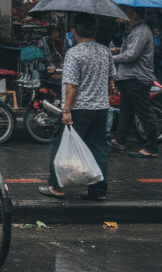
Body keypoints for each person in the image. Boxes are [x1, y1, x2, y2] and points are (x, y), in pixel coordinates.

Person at [40, 13, 116, 200]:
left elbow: (71, 86)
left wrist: (66, 111)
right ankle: (99, 190)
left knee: (60, 143)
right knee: (98, 147)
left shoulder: (74, 53)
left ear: (74, 31)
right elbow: (110, 80)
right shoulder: (104, 51)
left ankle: (57, 186)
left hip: (79, 108)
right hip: (101, 107)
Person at [108, 4, 159, 158]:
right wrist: (117, 50)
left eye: (126, 11)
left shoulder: (141, 31)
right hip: (129, 78)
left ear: (134, 13)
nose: (124, 14)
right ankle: (119, 141)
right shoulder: (134, 30)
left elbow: (131, 55)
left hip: (137, 78)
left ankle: (151, 148)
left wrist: (110, 57)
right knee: (126, 111)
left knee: (144, 113)